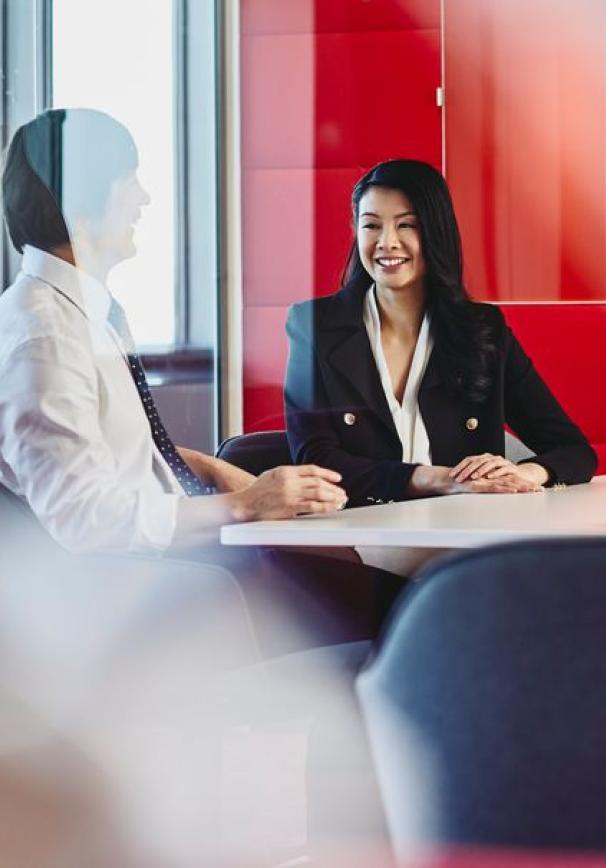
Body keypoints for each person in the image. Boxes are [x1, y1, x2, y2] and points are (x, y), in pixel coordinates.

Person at [0, 109, 399, 650]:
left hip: (178, 567)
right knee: (398, 615)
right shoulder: (43, 338)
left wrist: (211, 468)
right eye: (128, 180)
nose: (143, 198)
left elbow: (107, 452)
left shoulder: (83, 316)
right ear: (82, 203)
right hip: (143, 593)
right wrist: (245, 504)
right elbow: (86, 519)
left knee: (394, 600)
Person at [284, 159, 596, 509]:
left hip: (461, 533)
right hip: (356, 533)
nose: (387, 242)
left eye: (407, 225)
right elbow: (315, 461)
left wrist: (524, 474)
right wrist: (442, 480)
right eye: (371, 226)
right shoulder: (312, 325)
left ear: (435, 232)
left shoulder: (482, 330)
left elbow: (574, 450)